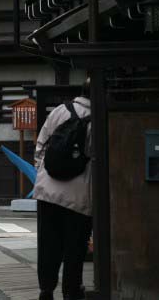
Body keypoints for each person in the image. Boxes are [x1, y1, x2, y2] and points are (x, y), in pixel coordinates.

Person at [34, 89, 93, 300]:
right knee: (74, 247)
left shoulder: (60, 110)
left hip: (47, 192)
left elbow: (40, 146)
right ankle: (72, 290)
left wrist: (41, 174)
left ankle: (46, 290)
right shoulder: (99, 119)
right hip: (79, 197)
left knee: (48, 244)